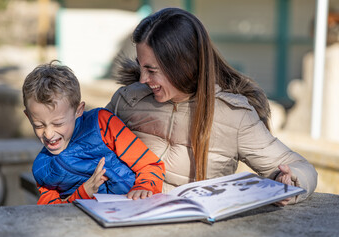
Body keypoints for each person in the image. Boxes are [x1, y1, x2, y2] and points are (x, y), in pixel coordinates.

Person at [106, 7, 317, 206]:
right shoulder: (127, 99)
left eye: (151, 70)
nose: (142, 79)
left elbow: (302, 168)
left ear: (182, 65)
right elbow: (82, 142)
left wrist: (289, 182)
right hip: (124, 219)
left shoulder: (234, 115)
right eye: (140, 66)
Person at [22, 61, 165, 205]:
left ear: (79, 110)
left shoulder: (101, 124)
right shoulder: (42, 168)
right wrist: (84, 192)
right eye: (39, 125)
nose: (48, 134)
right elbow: (51, 212)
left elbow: (150, 165)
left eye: (58, 123)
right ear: (28, 116)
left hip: (132, 207)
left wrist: (144, 187)